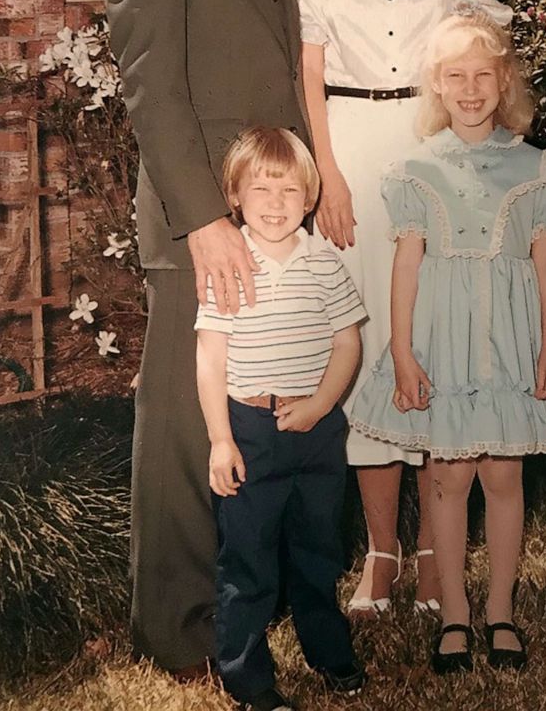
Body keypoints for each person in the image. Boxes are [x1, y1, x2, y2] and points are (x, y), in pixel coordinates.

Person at [286, 0, 512, 616]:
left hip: (432, 155)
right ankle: (378, 552)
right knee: (369, 341)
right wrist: (326, 176)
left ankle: (430, 546)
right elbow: (308, 72)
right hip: (348, 147)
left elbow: (476, 72)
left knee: (433, 340)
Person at [104, 0, 309, 675]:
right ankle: (178, 632)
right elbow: (153, 92)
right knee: (190, 422)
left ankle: (245, 608)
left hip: (270, 213)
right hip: (203, 222)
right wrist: (204, 221)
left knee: (257, 413)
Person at [351, 11, 546, 672]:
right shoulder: (413, 169)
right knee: (446, 476)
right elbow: (406, 266)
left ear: (503, 81)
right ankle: (454, 615)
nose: (469, 90)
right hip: (442, 346)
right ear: (436, 85)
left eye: (482, 77)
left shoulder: (535, 169)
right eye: (454, 77)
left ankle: (499, 610)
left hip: (509, 345)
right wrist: (402, 353)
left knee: (502, 474)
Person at [195, 127, 366, 711]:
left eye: (289, 190)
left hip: (317, 431)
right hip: (251, 431)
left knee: (318, 546)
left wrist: (321, 405)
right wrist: (222, 439)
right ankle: (245, 672)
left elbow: (347, 343)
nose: (274, 202)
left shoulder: (324, 261)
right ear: (235, 195)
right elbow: (210, 357)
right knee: (247, 555)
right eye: (260, 188)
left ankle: (326, 646)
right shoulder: (230, 262)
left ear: (311, 199)